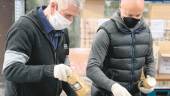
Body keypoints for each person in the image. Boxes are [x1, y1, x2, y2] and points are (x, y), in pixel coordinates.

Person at [2, 0, 80, 96]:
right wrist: (51, 71)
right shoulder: (24, 28)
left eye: (73, 17)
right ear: (53, 6)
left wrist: (76, 93)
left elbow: (64, 72)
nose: (70, 21)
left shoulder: (63, 32)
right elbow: (10, 70)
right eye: (68, 15)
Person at [86, 0, 156, 96]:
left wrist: (150, 78)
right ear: (120, 9)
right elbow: (91, 68)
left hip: (133, 93)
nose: (134, 18)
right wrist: (113, 86)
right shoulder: (106, 32)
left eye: (138, 15)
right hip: (106, 93)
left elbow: (150, 61)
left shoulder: (146, 32)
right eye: (130, 15)